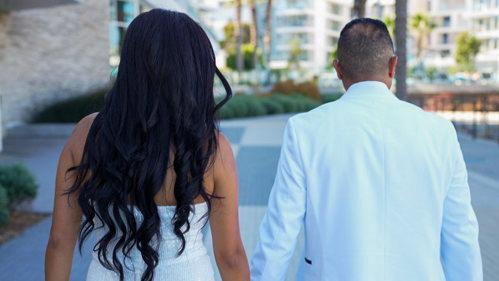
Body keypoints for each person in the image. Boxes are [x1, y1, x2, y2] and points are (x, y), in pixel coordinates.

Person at [250, 18, 482, 281]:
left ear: (338, 69)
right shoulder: (440, 132)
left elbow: (279, 233)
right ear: (393, 65)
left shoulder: (304, 130)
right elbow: (461, 234)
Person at [45, 9, 250, 281]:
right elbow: (230, 255)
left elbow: (59, 242)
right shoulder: (211, 148)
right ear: (194, 71)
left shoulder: (86, 134)